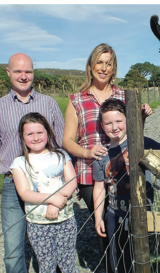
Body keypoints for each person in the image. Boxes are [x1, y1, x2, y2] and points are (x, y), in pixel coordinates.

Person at [0, 53, 69, 273]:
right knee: (13, 247)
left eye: (28, 71)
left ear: (34, 73)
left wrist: (66, 182)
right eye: (18, 71)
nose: (23, 76)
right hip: (12, 184)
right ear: (8, 73)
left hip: (47, 182)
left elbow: (61, 144)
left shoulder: (49, 104)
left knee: (50, 239)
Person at [62, 43, 152, 252]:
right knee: (103, 222)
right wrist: (87, 152)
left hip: (122, 169)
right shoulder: (77, 100)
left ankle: (128, 271)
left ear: (114, 68)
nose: (103, 68)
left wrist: (142, 116)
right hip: (89, 175)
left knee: (126, 220)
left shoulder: (124, 96)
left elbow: (133, 133)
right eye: (99, 62)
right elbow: (67, 140)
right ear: (91, 66)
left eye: (108, 63)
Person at [92, 99, 160, 273]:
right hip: (114, 213)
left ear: (128, 120)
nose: (114, 127)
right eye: (108, 123)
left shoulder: (142, 143)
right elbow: (99, 187)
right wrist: (97, 217)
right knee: (118, 256)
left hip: (141, 212)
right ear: (101, 125)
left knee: (141, 253)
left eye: (119, 121)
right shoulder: (101, 154)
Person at [10, 113, 83, 273]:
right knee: (47, 265)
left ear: (48, 133)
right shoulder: (19, 163)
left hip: (65, 220)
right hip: (38, 225)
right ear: (22, 137)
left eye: (40, 132)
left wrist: (57, 203)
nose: (35, 138)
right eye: (30, 134)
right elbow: (25, 192)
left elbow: (72, 181)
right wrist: (51, 199)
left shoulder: (60, 155)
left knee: (68, 262)